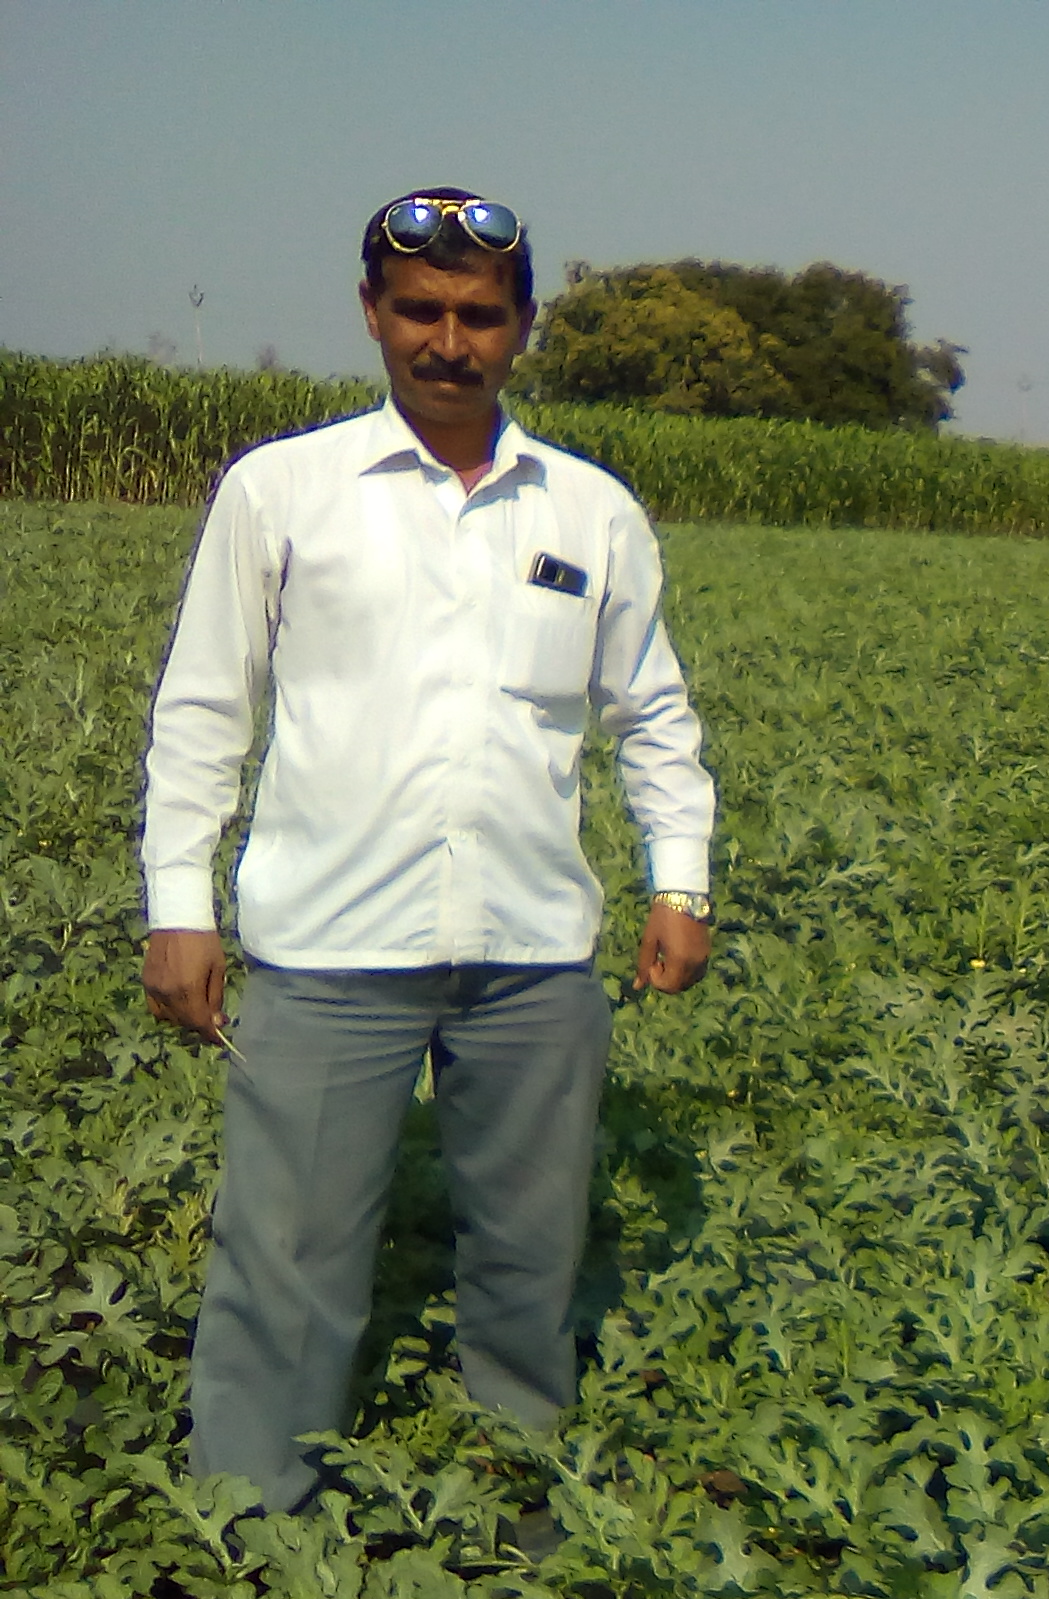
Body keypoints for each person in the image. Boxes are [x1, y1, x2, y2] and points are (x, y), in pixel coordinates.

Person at [139, 189, 717, 1513]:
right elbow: (204, 709)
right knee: (286, 1262)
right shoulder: (282, 491)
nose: (447, 343)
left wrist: (679, 878)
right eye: (419, 311)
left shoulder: (590, 511)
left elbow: (652, 713)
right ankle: (251, 1523)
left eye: (477, 316)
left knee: (529, 1258)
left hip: (531, 955)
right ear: (371, 312)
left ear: (523, 326)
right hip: (329, 948)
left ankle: (515, 1503)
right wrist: (179, 903)